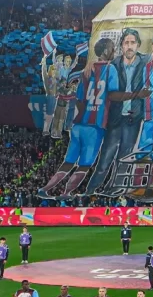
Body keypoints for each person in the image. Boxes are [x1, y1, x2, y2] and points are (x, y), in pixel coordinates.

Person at [38, 38, 119, 197]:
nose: (114, 52)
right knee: (84, 165)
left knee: (68, 162)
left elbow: (80, 100)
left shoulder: (86, 72)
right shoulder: (111, 70)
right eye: (111, 48)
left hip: (78, 124)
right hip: (95, 126)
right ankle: (66, 193)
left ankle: (44, 189)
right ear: (105, 51)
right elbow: (114, 95)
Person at [85, 28, 148, 195]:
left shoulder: (146, 61)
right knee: (105, 158)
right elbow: (99, 67)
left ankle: (112, 191)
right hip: (115, 118)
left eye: (132, 42)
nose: (129, 46)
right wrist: (91, 63)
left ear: (138, 45)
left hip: (133, 119)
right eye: (126, 42)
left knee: (124, 158)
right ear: (121, 45)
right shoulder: (113, 64)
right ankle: (90, 191)